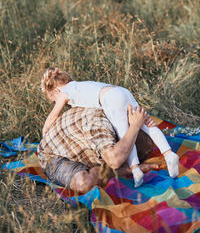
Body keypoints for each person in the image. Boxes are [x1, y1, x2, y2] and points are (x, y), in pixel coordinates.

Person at [40, 67, 179, 187]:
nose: (64, 106)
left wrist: (45, 129)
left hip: (110, 100)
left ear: (56, 90)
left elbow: (53, 115)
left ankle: (135, 168)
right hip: (122, 92)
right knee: (145, 124)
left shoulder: (66, 94)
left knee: (125, 132)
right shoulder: (83, 91)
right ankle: (167, 154)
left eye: (55, 102)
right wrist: (138, 124)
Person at [37, 105, 159, 193]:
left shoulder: (119, 113)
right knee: (84, 183)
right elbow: (115, 161)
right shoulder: (100, 127)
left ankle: (107, 167)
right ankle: (111, 170)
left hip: (76, 145)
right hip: (53, 154)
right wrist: (135, 127)